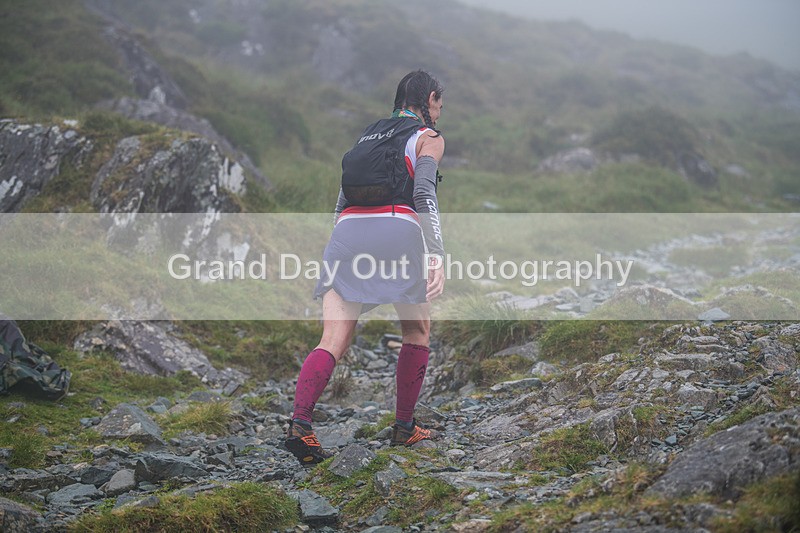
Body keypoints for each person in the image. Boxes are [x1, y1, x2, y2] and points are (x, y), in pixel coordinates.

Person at [284, 70, 446, 465]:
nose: (439, 113)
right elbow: (423, 192)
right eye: (439, 104)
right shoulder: (428, 138)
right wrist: (436, 252)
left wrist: (341, 242)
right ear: (428, 99)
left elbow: (341, 201)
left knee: (333, 338)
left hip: (347, 233)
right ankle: (404, 428)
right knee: (417, 329)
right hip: (398, 229)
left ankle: (300, 425)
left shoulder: (368, 136)